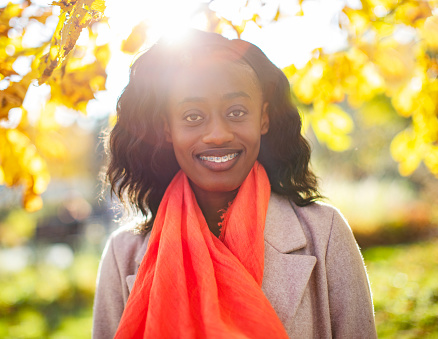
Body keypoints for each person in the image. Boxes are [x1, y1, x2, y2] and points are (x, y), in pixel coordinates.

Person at [92, 30, 377, 339]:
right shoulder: (123, 254)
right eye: (193, 116)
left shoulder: (324, 233)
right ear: (167, 128)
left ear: (263, 118)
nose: (218, 134)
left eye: (237, 112)